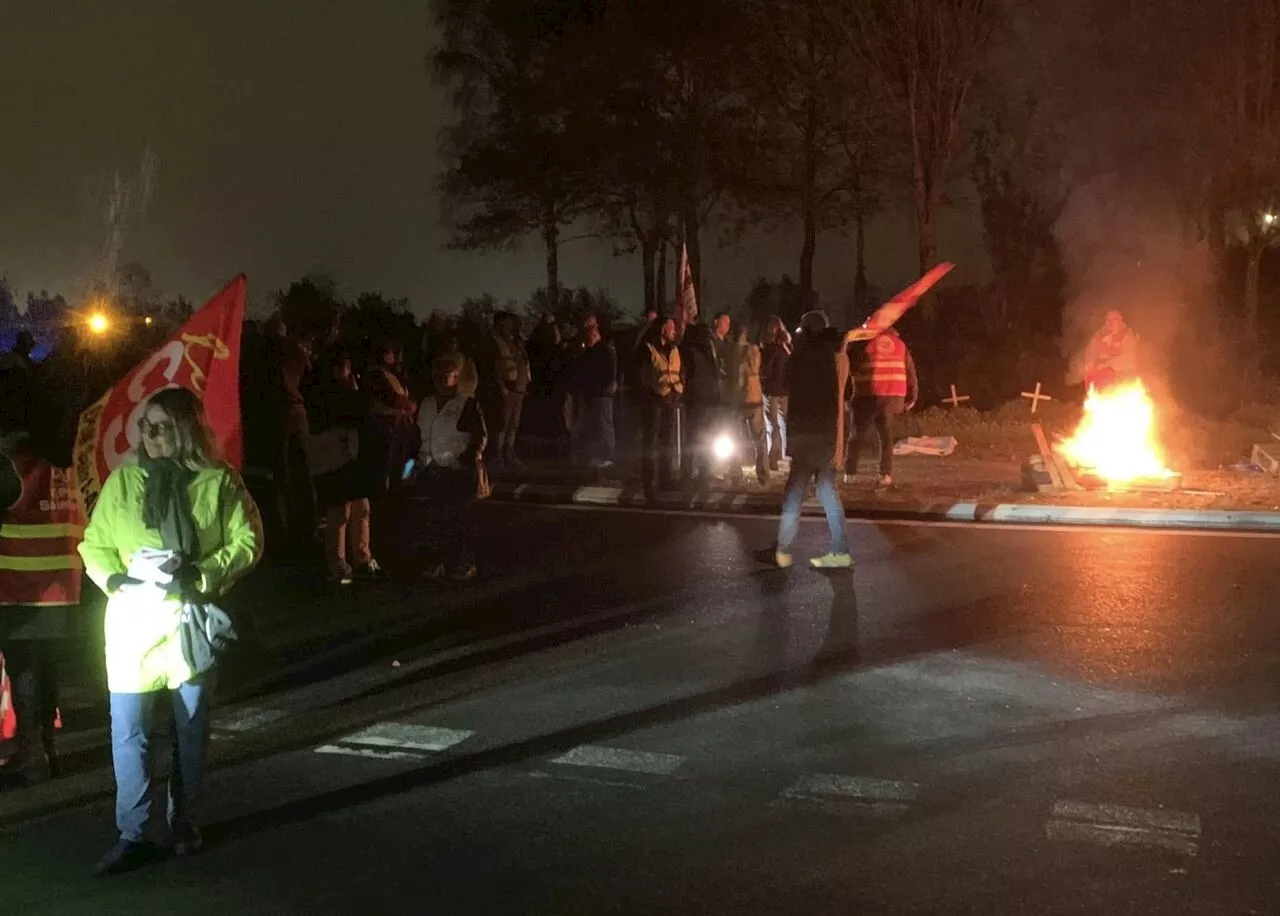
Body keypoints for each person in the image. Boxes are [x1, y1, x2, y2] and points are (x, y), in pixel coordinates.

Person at [77, 387, 262, 875]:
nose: (149, 435)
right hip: (133, 626)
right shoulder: (123, 482)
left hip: (187, 625)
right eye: (145, 426)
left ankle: (185, 822)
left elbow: (248, 541)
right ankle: (133, 833)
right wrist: (111, 576)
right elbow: (94, 545)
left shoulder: (218, 481)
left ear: (185, 429)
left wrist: (201, 575)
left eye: (160, 426)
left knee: (190, 733)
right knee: (129, 735)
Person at [0, 368, 82, 786]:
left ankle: (31, 752)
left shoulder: (12, 463)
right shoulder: (64, 460)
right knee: (47, 666)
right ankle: (47, 749)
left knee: (25, 667)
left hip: (20, 585)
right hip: (63, 584)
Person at [774, 310, 852, 569]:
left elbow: (785, 384)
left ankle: (783, 551)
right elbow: (848, 391)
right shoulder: (837, 357)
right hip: (828, 434)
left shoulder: (800, 357)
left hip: (805, 435)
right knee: (828, 491)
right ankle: (840, 550)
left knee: (794, 492)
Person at [308, 349, 385, 585]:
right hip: (341, 458)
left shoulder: (320, 392)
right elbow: (363, 409)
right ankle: (340, 563)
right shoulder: (333, 394)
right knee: (341, 511)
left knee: (357, 507)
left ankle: (358, 559)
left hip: (348, 458)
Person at [414, 354, 487, 580]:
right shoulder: (426, 404)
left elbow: (479, 436)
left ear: (456, 377)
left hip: (456, 469)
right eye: (439, 374)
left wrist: (466, 459)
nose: (443, 379)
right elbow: (417, 435)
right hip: (431, 468)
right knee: (434, 520)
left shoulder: (467, 403)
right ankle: (438, 562)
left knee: (460, 520)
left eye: (448, 374)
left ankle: (464, 563)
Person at [846, 326, 918, 487]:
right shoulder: (899, 345)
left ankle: (850, 473)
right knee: (886, 437)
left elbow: (847, 369)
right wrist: (912, 397)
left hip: (866, 395)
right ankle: (885, 475)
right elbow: (910, 372)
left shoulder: (863, 344)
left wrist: (846, 397)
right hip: (891, 397)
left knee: (857, 435)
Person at [639, 318, 683, 498]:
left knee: (668, 441)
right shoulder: (647, 349)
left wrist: (680, 390)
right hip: (654, 399)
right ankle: (649, 482)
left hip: (671, 399)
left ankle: (666, 479)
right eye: (671, 328)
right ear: (662, 329)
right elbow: (642, 375)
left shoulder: (673, 349)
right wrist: (650, 392)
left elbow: (680, 372)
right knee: (651, 443)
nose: (674, 331)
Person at [569, 321, 618, 470]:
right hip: (592, 394)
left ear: (597, 335)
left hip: (600, 394)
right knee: (595, 426)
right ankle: (596, 456)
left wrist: (603, 387)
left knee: (603, 426)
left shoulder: (603, 351)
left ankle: (605, 456)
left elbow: (608, 372)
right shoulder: (592, 352)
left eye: (590, 335)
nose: (587, 339)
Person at [679, 322, 722, 486]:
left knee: (702, 438)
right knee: (695, 437)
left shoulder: (705, 350)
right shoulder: (692, 351)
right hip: (699, 400)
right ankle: (691, 472)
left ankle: (701, 472)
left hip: (706, 399)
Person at [491, 313, 531, 468]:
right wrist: (500, 386)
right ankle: (499, 456)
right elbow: (494, 367)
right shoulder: (494, 343)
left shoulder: (516, 343)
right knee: (503, 424)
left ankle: (510, 453)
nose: (509, 328)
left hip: (519, 390)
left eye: (511, 325)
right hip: (506, 390)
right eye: (506, 324)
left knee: (514, 424)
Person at [732, 325, 769, 485]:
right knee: (759, 437)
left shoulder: (731, 351)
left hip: (738, 399)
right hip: (753, 397)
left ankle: (735, 472)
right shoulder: (754, 351)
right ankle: (763, 473)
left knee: (735, 437)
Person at [759, 315, 791, 473]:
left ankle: (773, 457)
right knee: (784, 423)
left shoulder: (769, 350)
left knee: (772, 424)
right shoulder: (787, 348)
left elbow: (765, 370)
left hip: (771, 390)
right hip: (784, 390)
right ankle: (787, 454)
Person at [1082, 309, 1139, 390]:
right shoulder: (1098, 336)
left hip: (1123, 376)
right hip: (1102, 376)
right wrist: (1089, 363)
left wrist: (1107, 365)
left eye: (1114, 319)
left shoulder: (1127, 336)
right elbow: (1090, 352)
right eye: (1108, 319)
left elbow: (1129, 358)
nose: (1111, 322)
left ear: (1120, 320)